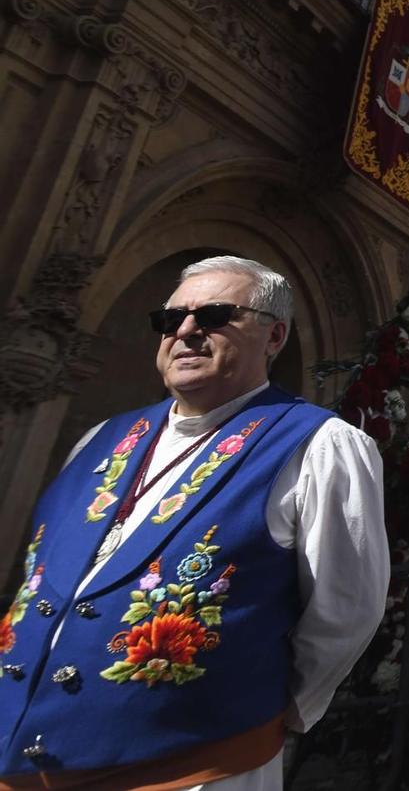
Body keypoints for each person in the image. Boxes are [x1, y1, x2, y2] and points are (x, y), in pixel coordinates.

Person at [0, 255, 388, 789]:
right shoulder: (102, 438)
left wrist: (264, 715)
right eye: (171, 319)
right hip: (20, 758)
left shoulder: (322, 446)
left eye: (214, 315)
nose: (185, 331)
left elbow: (345, 609)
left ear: (274, 336)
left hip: (194, 765)